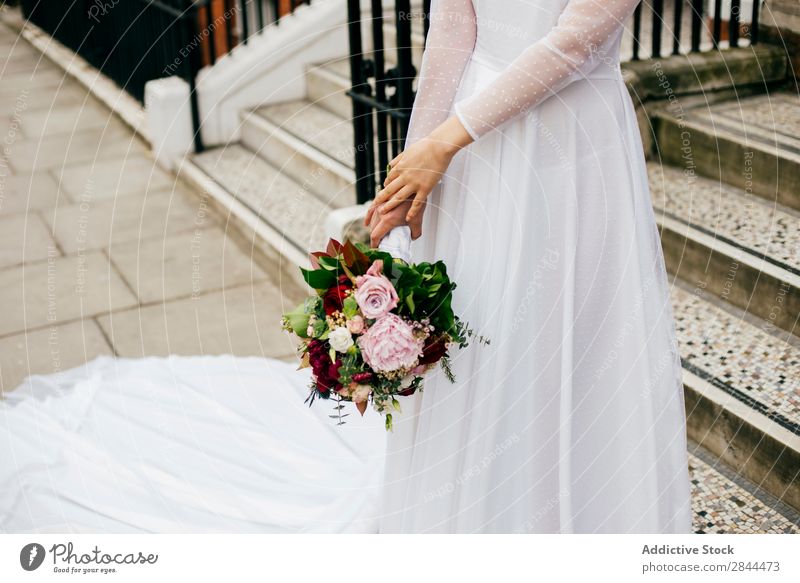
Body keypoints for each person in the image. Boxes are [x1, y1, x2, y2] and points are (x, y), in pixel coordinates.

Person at [366, 0, 692, 533]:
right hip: (470, 150)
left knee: (563, 335)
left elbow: (577, 42)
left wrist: (444, 141)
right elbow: (451, 26)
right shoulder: (444, 146)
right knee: (477, 323)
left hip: (568, 143)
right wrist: (413, 166)